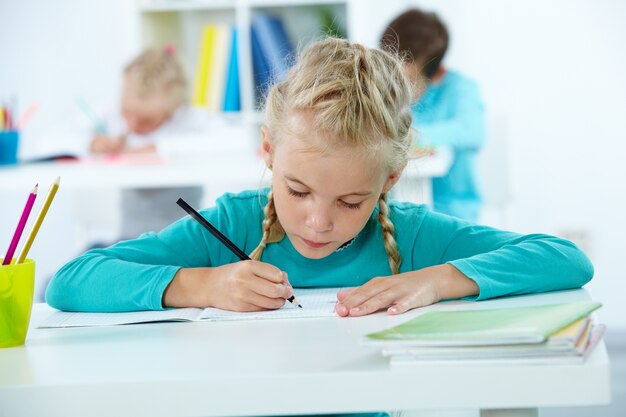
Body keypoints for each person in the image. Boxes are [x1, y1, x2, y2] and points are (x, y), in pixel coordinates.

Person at [46, 38, 592, 322]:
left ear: (389, 180)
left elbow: (564, 258)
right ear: (268, 151)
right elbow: (72, 281)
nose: (317, 220)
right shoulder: (232, 224)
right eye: (297, 190)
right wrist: (202, 285)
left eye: (352, 200)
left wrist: (435, 280)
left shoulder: (410, 234)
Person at [380, 8, 485, 222]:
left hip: (452, 211)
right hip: (397, 212)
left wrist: (405, 136)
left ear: (432, 70)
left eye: (406, 72)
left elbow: (472, 132)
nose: (395, 79)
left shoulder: (459, 88)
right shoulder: (384, 92)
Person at [88, 46, 204, 240]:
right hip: (128, 242)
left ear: (174, 108)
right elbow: (53, 141)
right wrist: (92, 144)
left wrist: (156, 149)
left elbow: (237, 139)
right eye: (126, 113)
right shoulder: (111, 118)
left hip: (183, 245)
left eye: (145, 121)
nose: (132, 125)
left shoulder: (188, 121)